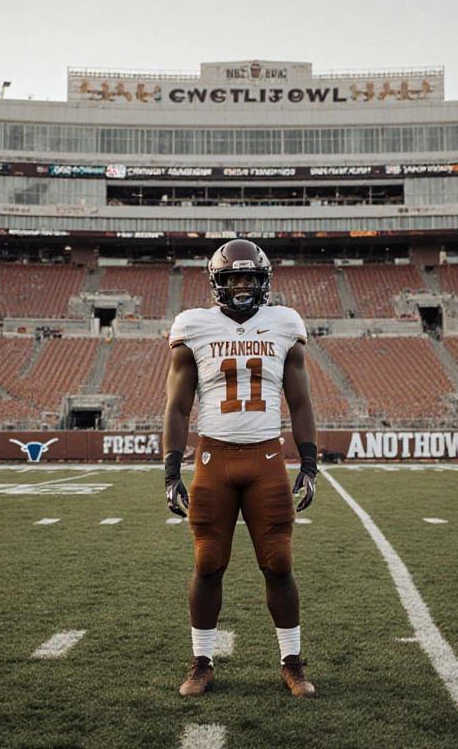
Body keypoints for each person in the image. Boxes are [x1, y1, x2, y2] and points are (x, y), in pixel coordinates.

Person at [162, 238, 318, 698]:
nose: (244, 286)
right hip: (213, 458)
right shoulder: (193, 325)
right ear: (218, 284)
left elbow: (301, 400)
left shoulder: (284, 323)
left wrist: (309, 463)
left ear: (264, 281)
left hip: (266, 456)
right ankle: (201, 662)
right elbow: (177, 407)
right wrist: (171, 472)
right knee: (207, 562)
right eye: (235, 278)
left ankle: (292, 662)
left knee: (280, 561)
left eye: (251, 278)